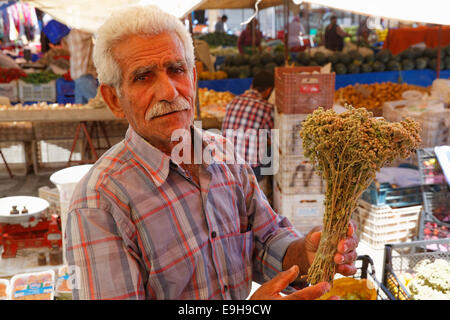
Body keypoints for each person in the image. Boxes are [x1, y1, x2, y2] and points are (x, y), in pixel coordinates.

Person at [65, 5, 359, 300]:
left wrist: (306, 254)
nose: (169, 91)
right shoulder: (98, 205)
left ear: (193, 78)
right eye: (143, 77)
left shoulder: (224, 156)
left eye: (176, 70)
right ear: (113, 99)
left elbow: (267, 240)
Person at [221, 71, 274, 195]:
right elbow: (275, 140)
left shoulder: (233, 102)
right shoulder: (267, 108)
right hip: (251, 170)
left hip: (226, 165)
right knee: (273, 152)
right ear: (268, 91)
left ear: (251, 85)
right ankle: (265, 193)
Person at [65, 28, 98, 104]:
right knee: (98, 104)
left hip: (77, 75)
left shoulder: (72, 34)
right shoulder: (81, 32)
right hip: (84, 75)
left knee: (81, 107)